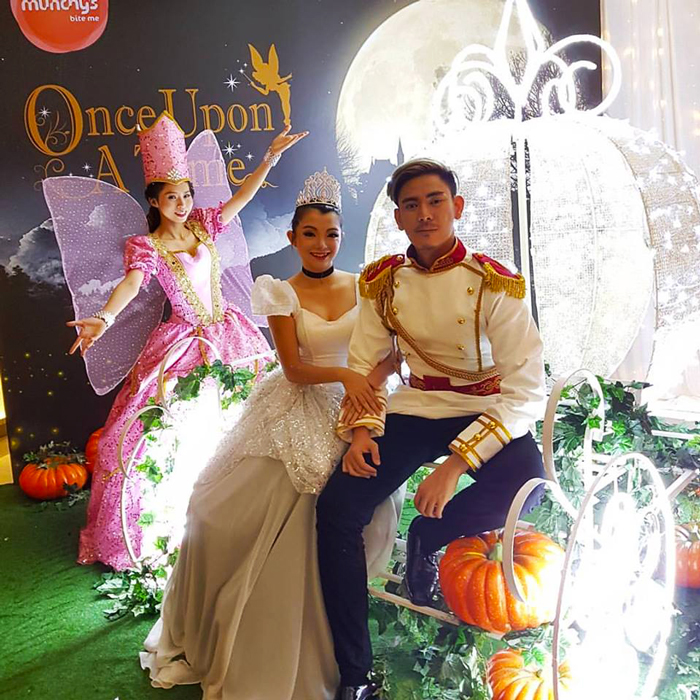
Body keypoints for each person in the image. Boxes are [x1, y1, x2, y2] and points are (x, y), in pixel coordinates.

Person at [140, 169, 403, 700]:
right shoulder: (281, 292)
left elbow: (389, 354)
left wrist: (366, 388)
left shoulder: (365, 285)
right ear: (292, 238)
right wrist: (347, 377)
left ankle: (334, 625)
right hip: (301, 399)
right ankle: (258, 626)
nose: (321, 244)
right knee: (218, 508)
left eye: (331, 234)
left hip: (358, 403)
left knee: (338, 508)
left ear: (342, 237)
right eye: (309, 234)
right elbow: (295, 368)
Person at [316, 158, 548, 700]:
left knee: (528, 486)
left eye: (435, 201)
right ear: (399, 217)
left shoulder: (495, 281)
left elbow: (525, 390)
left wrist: (456, 465)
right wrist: (362, 432)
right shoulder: (382, 282)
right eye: (412, 205)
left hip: (486, 406)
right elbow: (366, 361)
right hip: (417, 405)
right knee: (338, 510)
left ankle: (429, 535)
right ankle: (354, 674)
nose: (425, 214)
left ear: (457, 207)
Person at [65, 112, 306, 570]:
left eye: (187, 194)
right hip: (184, 342)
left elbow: (242, 198)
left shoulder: (203, 225)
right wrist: (104, 317)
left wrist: (269, 159)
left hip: (228, 332)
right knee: (155, 428)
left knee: (250, 416)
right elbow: (133, 284)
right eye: (172, 196)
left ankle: (250, 509)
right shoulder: (147, 246)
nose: (181, 203)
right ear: (154, 200)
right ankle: (171, 517)